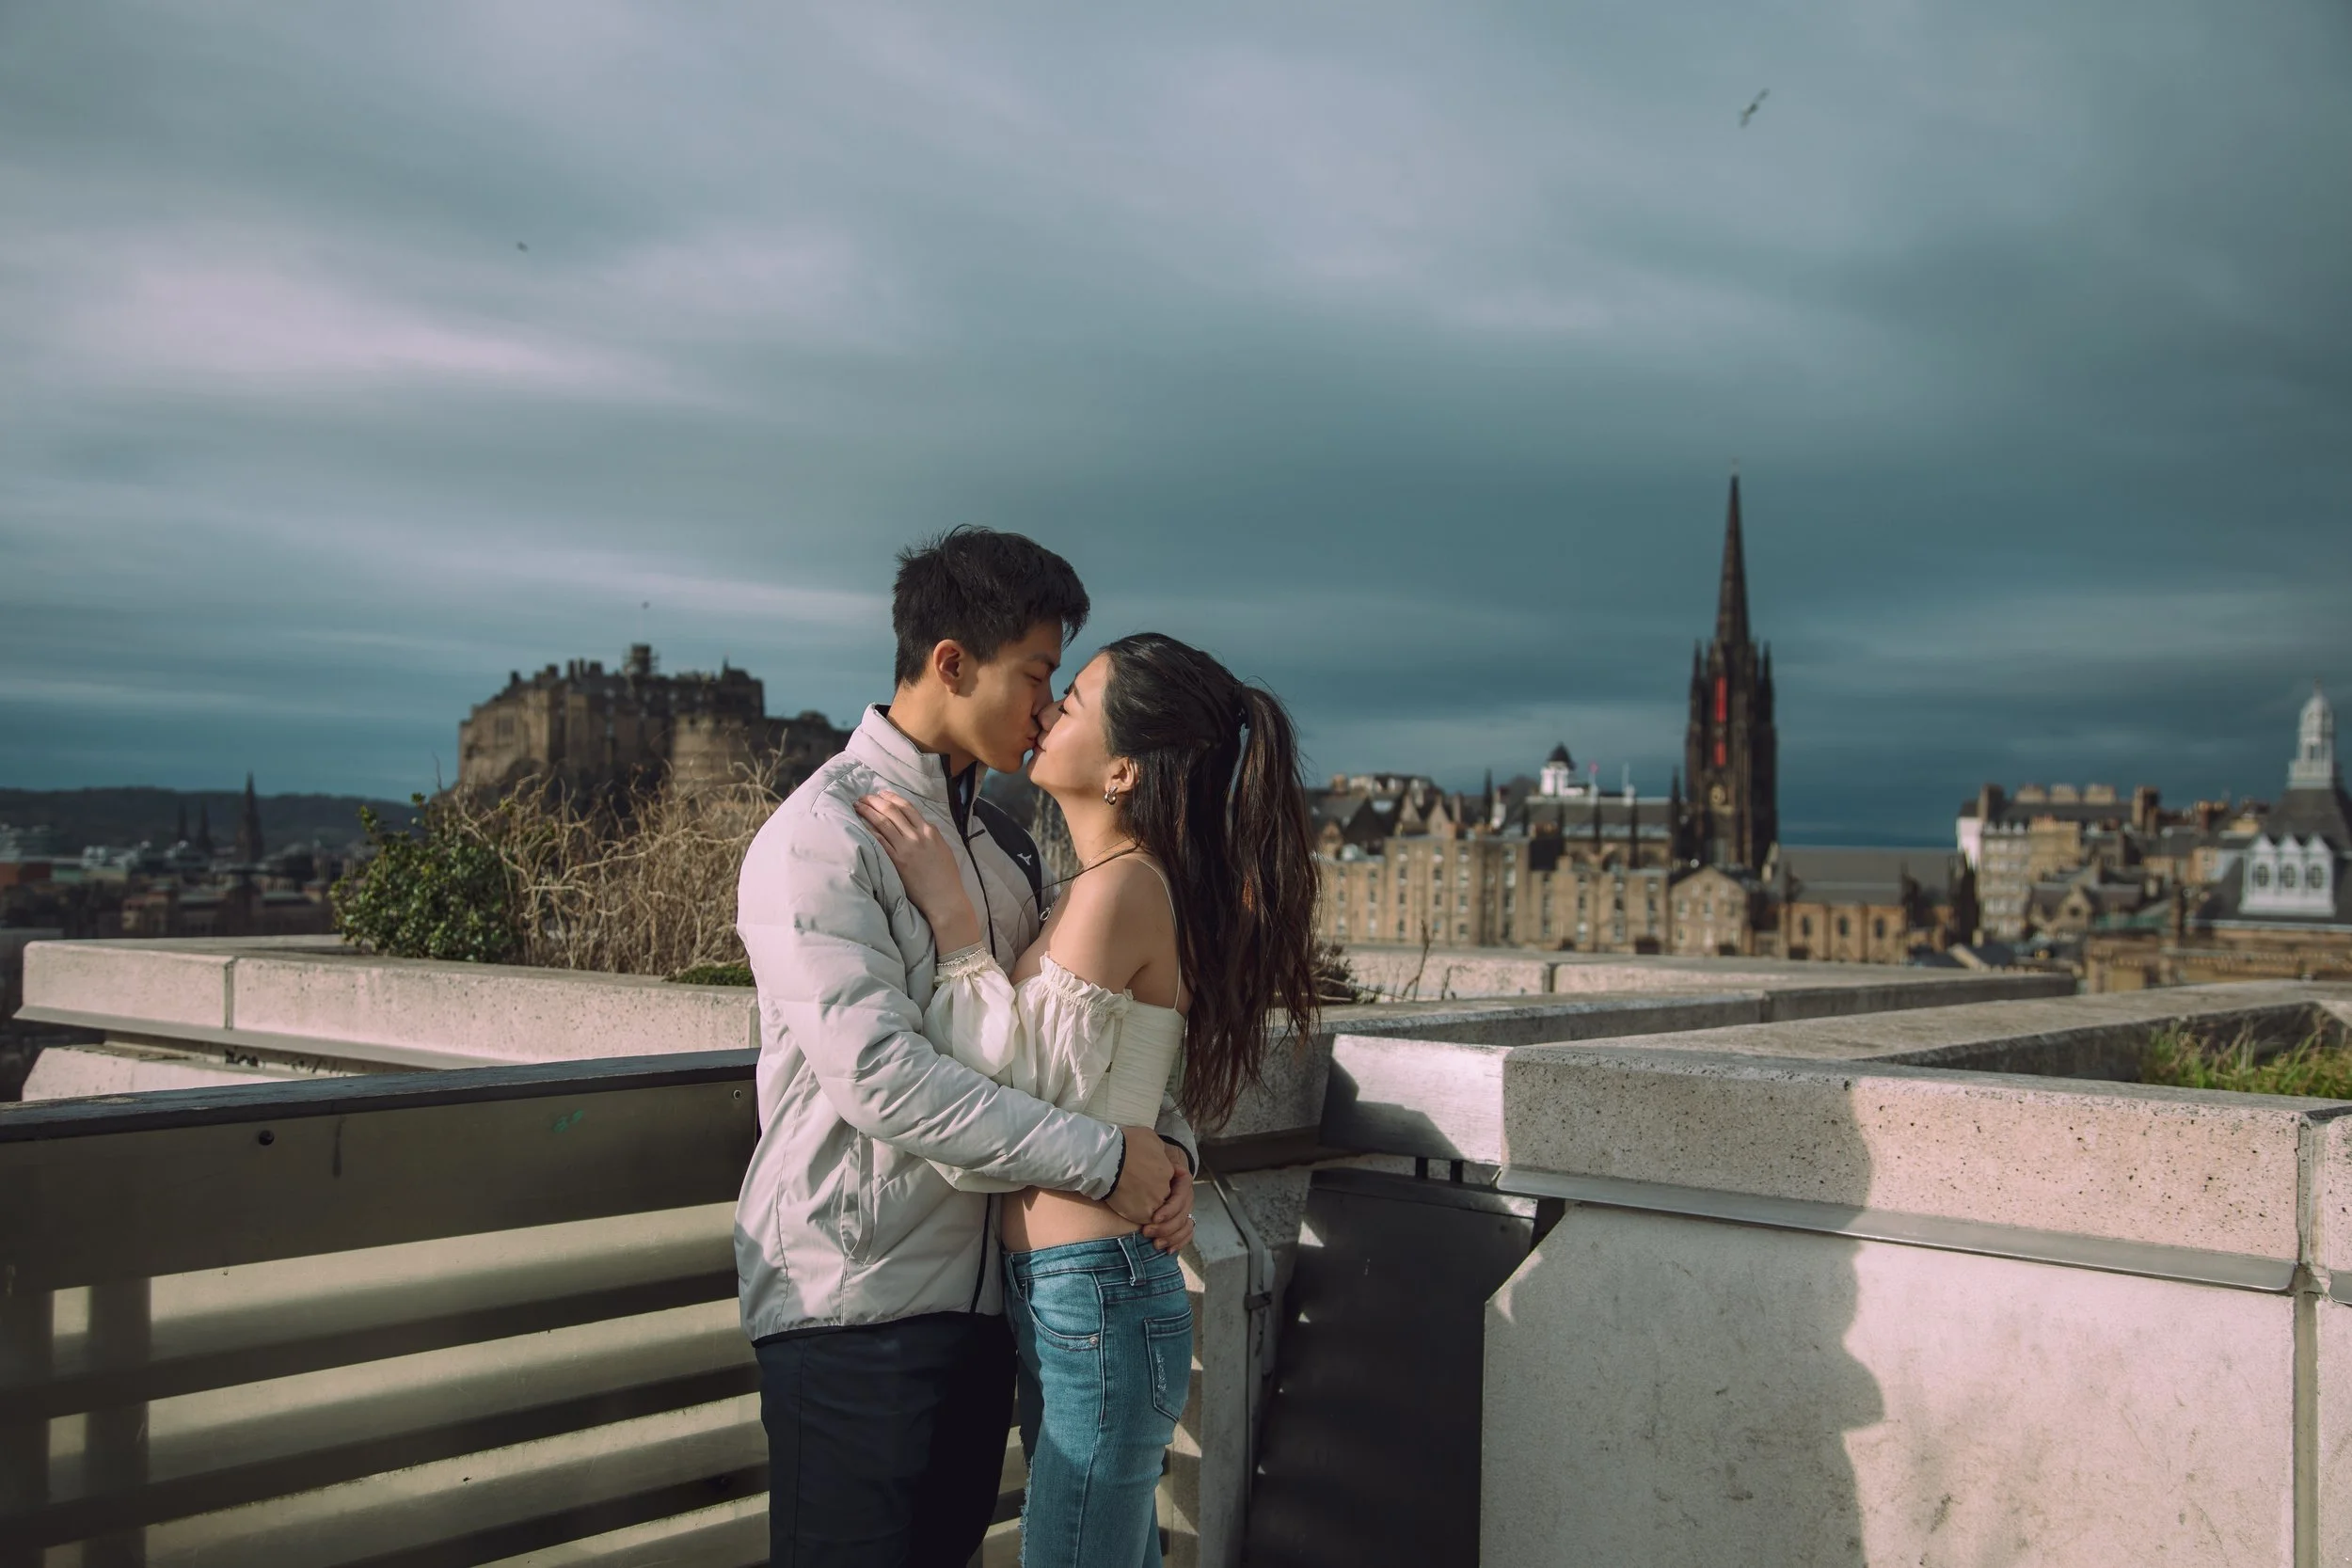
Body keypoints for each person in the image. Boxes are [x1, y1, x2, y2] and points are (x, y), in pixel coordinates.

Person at [734, 530, 1199, 1568]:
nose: (1046, 707)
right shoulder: (821, 835)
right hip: (853, 1307)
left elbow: (1074, 1046)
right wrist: (1109, 1160)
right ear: (951, 662)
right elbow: (880, 1077)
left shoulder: (1005, 845)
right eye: (1036, 674)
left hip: (986, 1304)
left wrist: (1170, 1154)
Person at [853, 630, 1321, 1567]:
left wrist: (952, 920)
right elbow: (1102, 1087)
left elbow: (1014, 1087)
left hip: (1095, 1296)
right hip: (1077, 1291)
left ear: (1121, 771)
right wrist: (1169, 1154)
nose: (1048, 705)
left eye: (1076, 698)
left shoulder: (1120, 891)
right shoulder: (1088, 888)